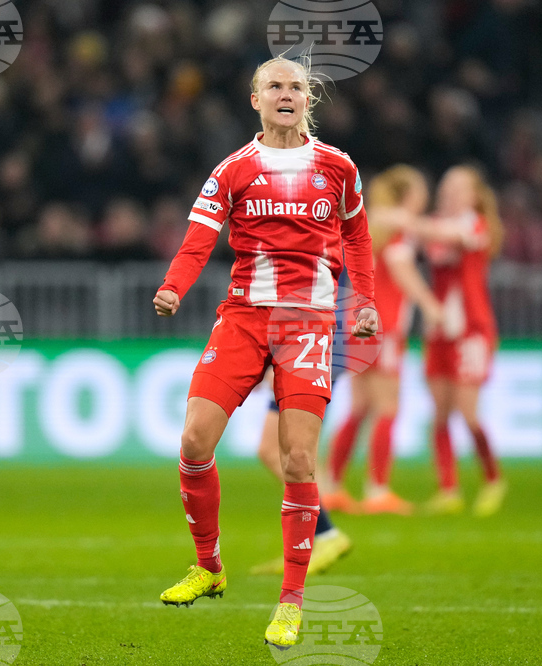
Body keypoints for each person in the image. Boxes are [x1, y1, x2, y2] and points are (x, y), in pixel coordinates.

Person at [153, 56, 378, 649]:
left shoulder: (337, 167)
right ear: (255, 100)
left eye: (296, 87)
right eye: (274, 85)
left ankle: (291, 601)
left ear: (310, 101)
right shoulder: (234, 170)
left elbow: (357, 235)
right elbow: (198, 238)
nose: (286, 93)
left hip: (308, 323)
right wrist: (174, 286)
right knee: (194, 440)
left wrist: (365, 303)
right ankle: (209, 565)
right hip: (244, 319)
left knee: (298, 460)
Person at [323, 165, 444, 515]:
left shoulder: (375, 224)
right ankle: (377, 490)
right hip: (384, 325)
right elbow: (402, 270)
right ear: (410, 195)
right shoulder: (398, 230)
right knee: (388, 408)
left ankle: (332, 486)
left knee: (359, 407)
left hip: (355, 322)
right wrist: (430, 305)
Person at [421, 165, 506, 517]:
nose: (451, 192)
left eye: (459, 187)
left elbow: (433, 233)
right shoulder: (438, 225)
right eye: (447, 185)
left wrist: (397, 218)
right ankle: (449, 490)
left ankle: (492, 478)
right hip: (440, 332)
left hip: (471, 330)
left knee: (468, 413)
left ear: (474, 195)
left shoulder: (474, 224)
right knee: (440, 414)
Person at [250, 369, 353, 576]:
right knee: (281, 452)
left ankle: (326, 535)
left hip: (306, 358)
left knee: (291, 452)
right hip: (301, 356)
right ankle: (305, 547)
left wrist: (273, 365)